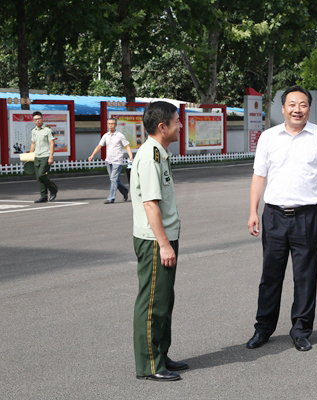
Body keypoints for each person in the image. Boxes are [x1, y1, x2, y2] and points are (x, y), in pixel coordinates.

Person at [246, 85, 317, 352]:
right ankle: (263, 329)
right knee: (270, 276)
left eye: (302, 104)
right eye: (292, 104)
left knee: (305, 276)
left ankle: (301, 330)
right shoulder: (268, 137)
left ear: (308, 108)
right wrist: (253, 211)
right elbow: (259, 175)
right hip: (274, 215)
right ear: (283, 108)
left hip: (307, 217)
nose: (297, 109)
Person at [131, 101, 187, 382]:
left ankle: (161, 355)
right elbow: (151, 204)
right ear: (162, 127)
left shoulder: (160, 154)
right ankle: (150, 364)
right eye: (177, 121)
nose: (181, 126)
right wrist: (164, 244)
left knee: (165, 299)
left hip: (163, 238)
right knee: (152, 302)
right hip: (155, 241)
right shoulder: (150, 156)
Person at [88, 118, 134, 204]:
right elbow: (99, 146)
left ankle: (111, 198)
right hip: (108, 160)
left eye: (112, 124)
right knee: (114, 179)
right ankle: (125, 191)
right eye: (109, 124)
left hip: (117, 160)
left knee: (113, 179)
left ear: (116, 125)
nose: (110, 125)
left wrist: (130, 156)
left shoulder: (120, 135)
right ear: (107, 125)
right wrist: (92, 155)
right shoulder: (106, 136)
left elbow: (127, 146)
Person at [29, 111, 58, 203]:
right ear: (33, 121)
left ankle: (53, 189)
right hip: (36, 156)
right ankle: (43, 196)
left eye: (39, 119)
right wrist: (30, 155)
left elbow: (52, 143)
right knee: (38, 177)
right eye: (35, 119)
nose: (37, 121)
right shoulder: (34, 131)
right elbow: (33, 144)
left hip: (45, 156)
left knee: (42, 175)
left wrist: (51, 157)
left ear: (42, 119)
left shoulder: (48, 130)